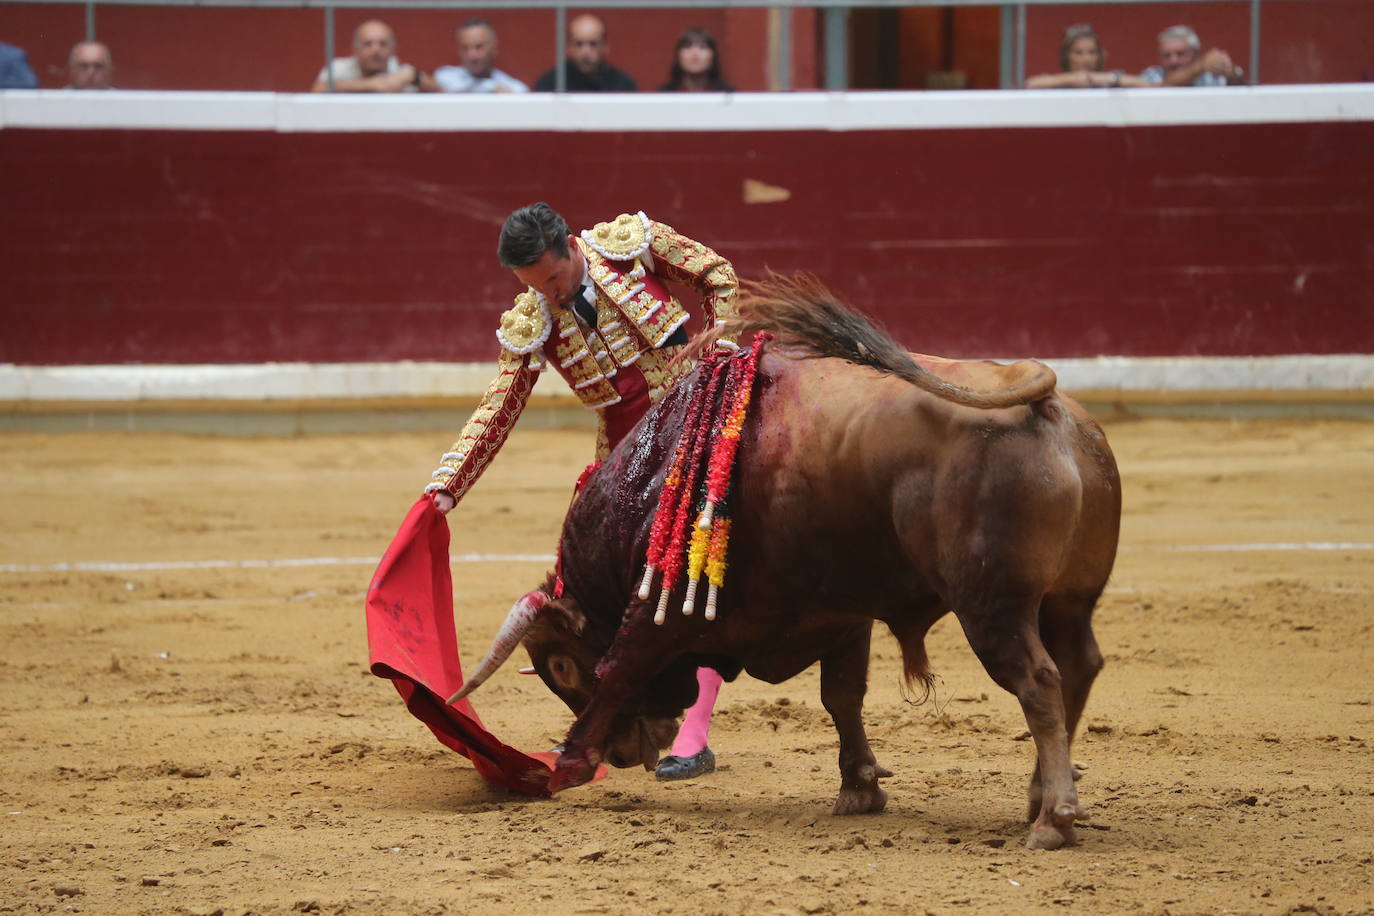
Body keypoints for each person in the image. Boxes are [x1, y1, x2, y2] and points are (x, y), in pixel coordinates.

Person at [425, 202, 733, 780]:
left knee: (703, 564)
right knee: (599, 581)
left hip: (699, 420)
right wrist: (447, 487)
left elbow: (715, 272)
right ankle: (629, 704)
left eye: (554, 279)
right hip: (627, 457)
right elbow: (499, 406)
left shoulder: (627, 246)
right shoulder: (534, 317)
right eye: (534, 286)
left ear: (571, 246)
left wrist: (717, 339)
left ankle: (693, 734)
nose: (549, 295)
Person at [311, 20, 438, 93]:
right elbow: (317, 90)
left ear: (392, 49)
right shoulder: (338, 68)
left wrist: (414, 76)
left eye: (383, 44)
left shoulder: (401, 71)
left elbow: (439, 92)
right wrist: (372, 84)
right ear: (355, 49)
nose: (376, 50)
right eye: (368, 44)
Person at [533, 14, 637, 92]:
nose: (585, 52)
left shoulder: (622, 86)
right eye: (579, 44)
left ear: (605, 47)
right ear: (569, 48)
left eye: (593, 44)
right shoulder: (552, 84)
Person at [1025, 24, 1147, 89]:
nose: (1086, 59)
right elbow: (1030, 84)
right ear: (1067, 56)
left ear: (1099, 56)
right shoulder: (1059, 83)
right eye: (1078, 53)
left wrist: (1102, 79)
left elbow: (1144, 84)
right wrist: (1070, 79)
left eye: (1092, 52)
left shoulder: (1108, 80)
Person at [434, 17, 528, 94]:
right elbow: (453, 87)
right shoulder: (446, 77)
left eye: (479, 47)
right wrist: (492, 89)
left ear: (493, 49)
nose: (472, 55)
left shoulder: (513, 88)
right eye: (465, 48)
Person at [1141, 24, 1244, 87]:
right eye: (1166, 56)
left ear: (1195, 55)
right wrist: (1200, 66)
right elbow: (1167, 85)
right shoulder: (1152, 75)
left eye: (1180, 54)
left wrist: (1231, 71)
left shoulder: (1209, 77)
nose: (1173, 61)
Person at [658, 27, 734, 93]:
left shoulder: (727, 95)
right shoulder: (664, 95)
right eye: (687, 47)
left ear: (712, 56)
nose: (695, 54)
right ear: (678, 56)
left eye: (702, 47)